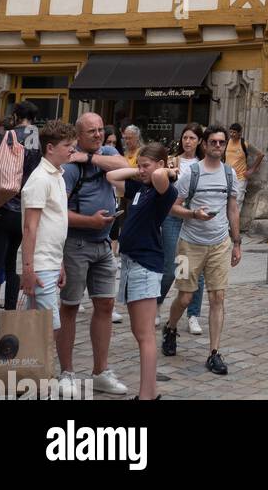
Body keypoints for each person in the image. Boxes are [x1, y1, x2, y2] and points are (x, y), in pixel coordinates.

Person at [56, 112, 128, 396]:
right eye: (91, 132)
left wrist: (90, 158)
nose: (98, 135)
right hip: (76, 244)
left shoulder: (105, 153)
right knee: (70, 308)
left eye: (100, 130)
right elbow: (57, 212)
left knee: (106, 306)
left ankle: (100, 372)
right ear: (78, 135)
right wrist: (90, 221)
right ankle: (67, 373)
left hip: (102, 245)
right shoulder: (70, 167)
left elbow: (125, 166)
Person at [162, 123, 241, 375]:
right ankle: (171, 327)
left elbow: (233, 209)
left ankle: (214, 352)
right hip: (189, 245)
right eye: (213, 142)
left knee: (217, 297)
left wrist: (236, 242)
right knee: (185, 297)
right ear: (204, 145)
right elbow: (173, 206)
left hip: (219, 244)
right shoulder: (192, 173)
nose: (218, 146)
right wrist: (193, 214)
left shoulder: (230, 174)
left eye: (222, 142)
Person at [107, 143, 177, 400]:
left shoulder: (164, 191)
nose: (142, 170)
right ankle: (149, 392)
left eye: (146, 165)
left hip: (145, 264)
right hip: (130, 263)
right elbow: (111, 176)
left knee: (145, 334)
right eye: (140, 164)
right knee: (139, 332)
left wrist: (166, 171)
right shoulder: (140, 187)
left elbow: (160, 177)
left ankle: (148, 395)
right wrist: (136, 171)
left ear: (161, 164)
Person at [20, 121, 77, 356]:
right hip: (39, 264)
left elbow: (54, 226)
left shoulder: (59, 176)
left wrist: (60, 263)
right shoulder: (40, 178)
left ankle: (26, 373)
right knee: (49, 326)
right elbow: (30, 227)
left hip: (50, 262)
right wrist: (28, 269)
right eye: (68, 145)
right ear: (50, 148)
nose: (72, 149)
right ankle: (37, 374)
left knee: (35, 323)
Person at [156, 122, 205, 334]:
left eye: (192, 138)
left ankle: (193, 314)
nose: (188, 142)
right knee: (169, 266)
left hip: (194, 219)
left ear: (199, 141)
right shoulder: (172, 161)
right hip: (172, 216)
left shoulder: (203, 164)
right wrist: (168, 173)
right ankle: (157, 305)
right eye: (185, 137)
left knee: (195, 270)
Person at [0, 107, 43, 310]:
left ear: (15, 116)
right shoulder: (40, 138)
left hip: (4, 206)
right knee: (11, 262)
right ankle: (10, 311)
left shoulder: (10, 135)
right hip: (25, 209)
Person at [226, 122, 265, 213]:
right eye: (230, 132)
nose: (232, 134)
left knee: (237, 202)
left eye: (234, 132)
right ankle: (225, 226)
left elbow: (261, 154)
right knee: (226, 203)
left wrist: (252, 170)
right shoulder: (226, 143)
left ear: (240, 133)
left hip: (240, 178)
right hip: (227, 177)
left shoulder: (245, 144)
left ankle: (232, 226)